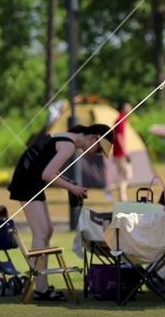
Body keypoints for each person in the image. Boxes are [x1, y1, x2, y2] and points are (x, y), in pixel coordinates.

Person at [7, 124, 113, 301]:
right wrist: (73, 188)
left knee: (47, 230)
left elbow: (48, 171)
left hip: (31, 180)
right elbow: (47, 175)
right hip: (27, 181)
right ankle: (40, 288)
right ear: (94, 138)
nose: (97, 154)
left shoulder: (67, 139)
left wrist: (72, 186)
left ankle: (35, 282)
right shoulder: (69, 145)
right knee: (41, 233)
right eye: (99, 149)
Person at [112, 101, 133, 201]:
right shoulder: (120, 119)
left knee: (123, 175)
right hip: (120, 153)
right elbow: (119, 136)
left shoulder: (122, 119)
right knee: (125, 174)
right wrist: (125, 152)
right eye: (128, 107)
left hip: (118, 152)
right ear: (123, 108)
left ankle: (122, 196)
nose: (130, 109)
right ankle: (122, 196)